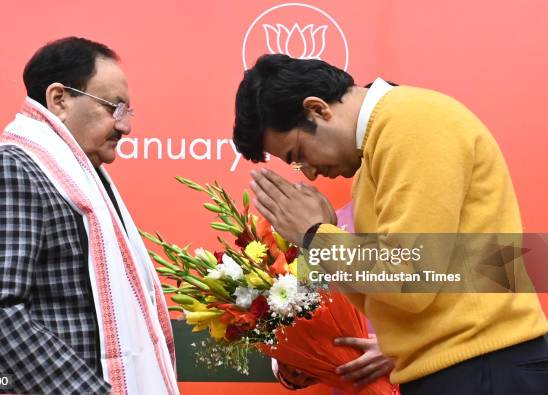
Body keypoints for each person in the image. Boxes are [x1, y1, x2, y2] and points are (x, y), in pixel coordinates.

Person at [233, 54, 548, 394]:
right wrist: (323, 234)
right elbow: (386, 296)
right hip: (455, 368)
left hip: (481, 366)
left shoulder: (411, 122)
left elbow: (412, 279)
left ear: (318, 109)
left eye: (299, 154)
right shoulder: (375, 154)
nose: (309, 173)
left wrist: (315, 235)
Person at [0, 37, 178, 395]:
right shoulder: (6, 171)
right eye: (114, 107)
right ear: (59, 100)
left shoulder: (84, 181)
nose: (125, 127)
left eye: (127, 112)